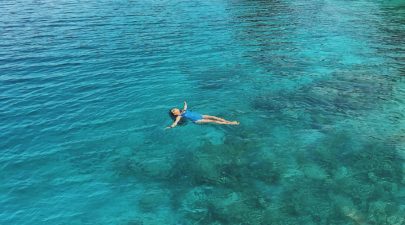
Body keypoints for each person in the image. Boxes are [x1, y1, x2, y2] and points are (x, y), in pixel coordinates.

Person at [166, 101, 239, 129]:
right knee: (212, 121)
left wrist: (185, 103)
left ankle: (227, 121)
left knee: (214, 117)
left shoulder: (183, 110)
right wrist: (170, 127)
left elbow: (185, 106)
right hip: (197, 120)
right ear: (175, 113)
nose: (176, 109)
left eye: (175, 108)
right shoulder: (179, 116)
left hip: (200, 115)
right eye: (174, 110)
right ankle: (231, 123)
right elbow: (175, 123)